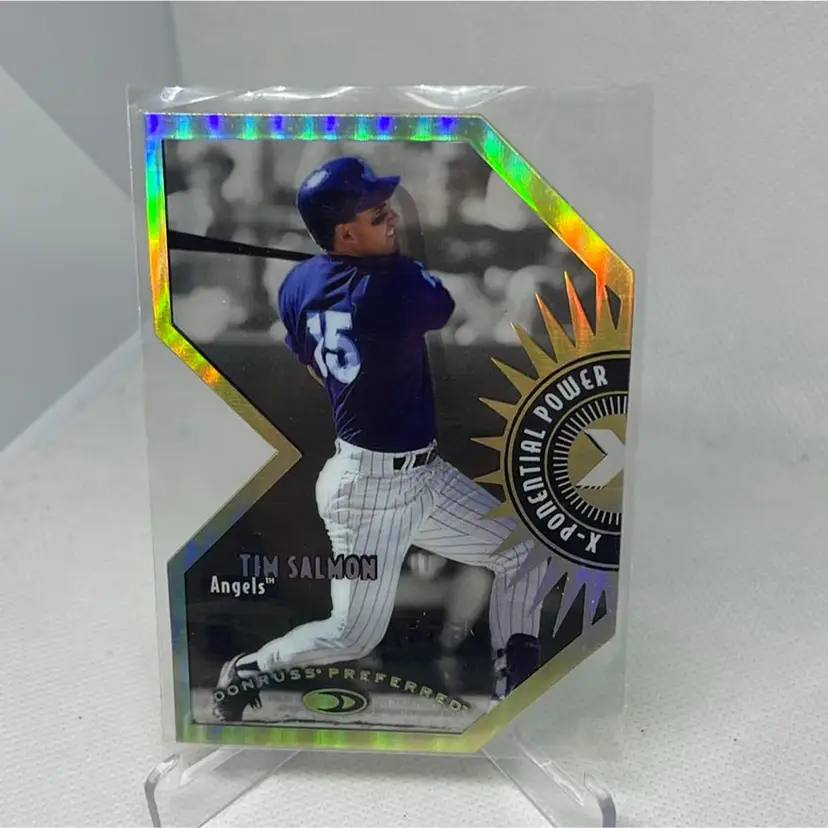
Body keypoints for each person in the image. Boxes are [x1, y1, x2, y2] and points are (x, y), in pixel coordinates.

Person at [212, 156, 545, 722]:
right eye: (374, 213)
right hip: (367, 490)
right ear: (345, 233)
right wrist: (397, 262)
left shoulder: (298, 283)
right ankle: (247, 670)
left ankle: (515, 695)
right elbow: (441, 303)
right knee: (351, 635)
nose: (390, 216)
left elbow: (312, 363)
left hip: (421, 475)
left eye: (385, 207)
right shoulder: (390, 286)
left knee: (521, 551)